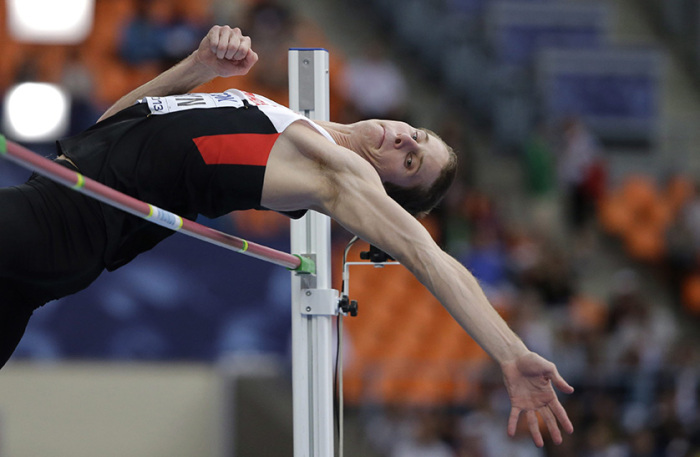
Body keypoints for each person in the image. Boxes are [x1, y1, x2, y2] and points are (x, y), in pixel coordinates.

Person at [0, 25, 574, 447]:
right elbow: (108, 135)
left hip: (53, 227)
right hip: (53, 222)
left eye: (411, 164)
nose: (405, 141)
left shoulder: (335, 173)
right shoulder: (293, 124)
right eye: (417, 136)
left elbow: (428, 255)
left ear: (385, 194)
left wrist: (511, 353)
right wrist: (199, 66)